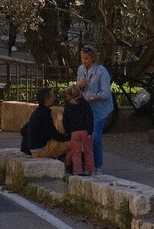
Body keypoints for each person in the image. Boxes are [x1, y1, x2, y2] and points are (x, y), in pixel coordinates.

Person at [77, 44, 114, 172]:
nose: (83, 61)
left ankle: (98, 165)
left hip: (100, 109)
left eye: (86, 59)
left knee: (96, 137)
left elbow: (105, 93)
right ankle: (89, 164)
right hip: (87, 109)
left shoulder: (101, 71)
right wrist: (78, 85)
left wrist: (92, 98)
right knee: (86, 137)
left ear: (92, 58)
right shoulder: (81, 69)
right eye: (82, 58)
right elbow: (78, 90)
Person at [25, 86, 70, 160]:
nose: (54, 99)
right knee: (72, 144)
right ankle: (66, 166)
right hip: (40, 150)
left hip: (35, 148)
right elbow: (54, 134)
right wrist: (69, 138)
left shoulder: (37, 112)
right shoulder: (44, 114)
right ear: (46, 100)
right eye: (52, 97)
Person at [62, 83, 95, 175]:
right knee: (88, 151)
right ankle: (91, 171)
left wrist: (68, 132)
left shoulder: (68, 106)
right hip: (85, 131)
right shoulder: (85, 104)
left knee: (76, 153)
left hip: (74, 132)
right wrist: (90, 131)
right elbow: (90, 117)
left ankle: (77, 172)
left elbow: (65, 121)